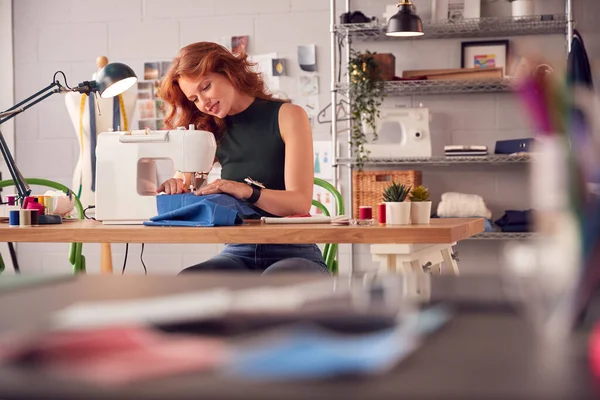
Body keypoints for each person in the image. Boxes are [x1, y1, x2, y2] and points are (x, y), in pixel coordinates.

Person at [157, 42, 328, 274]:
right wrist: (175, 186)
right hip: (238, 250)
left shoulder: (288, 116)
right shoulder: (207, 131)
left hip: (293, 248)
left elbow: (299, 202)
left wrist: (246, 191)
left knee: (274, 286)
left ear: (229, 72)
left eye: (205, 87)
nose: (203, 103)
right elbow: (186, 181)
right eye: (194, 99)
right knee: (189, 281)